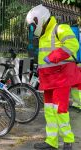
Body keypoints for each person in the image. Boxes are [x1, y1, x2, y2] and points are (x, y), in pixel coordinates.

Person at [26, 4, 81, 150]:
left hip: (61, 77)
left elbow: (72, 44)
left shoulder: (60, 28)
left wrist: (54, 56)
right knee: (49, 110)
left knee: (60, 110)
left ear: (41, 20)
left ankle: (68, 142)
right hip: (49, 79)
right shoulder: (43, 35)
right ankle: (52, 141)